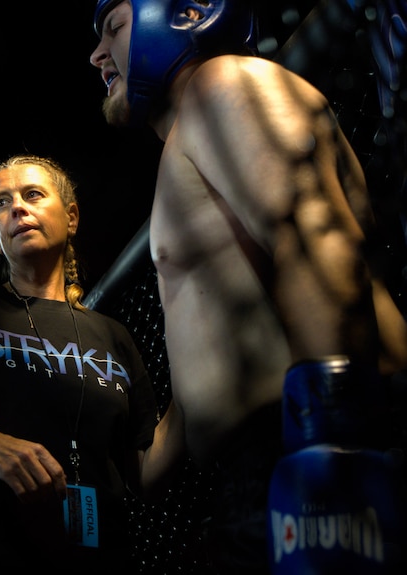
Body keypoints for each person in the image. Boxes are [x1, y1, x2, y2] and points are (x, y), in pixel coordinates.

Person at [89, 0, 407, 573]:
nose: (96, 53)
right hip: (270, 460)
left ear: (187, 13)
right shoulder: (192, 136)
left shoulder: (222, 83)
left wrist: (332, 448)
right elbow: (212, 366)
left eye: (114, 26)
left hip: (317, 436)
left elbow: (313, 237)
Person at [0, 154, 185, 574]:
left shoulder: (113, 336)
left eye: (33, 194)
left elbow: (146, 476)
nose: (17, 208)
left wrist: (192, 391)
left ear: (71, 217)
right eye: (1, 203)